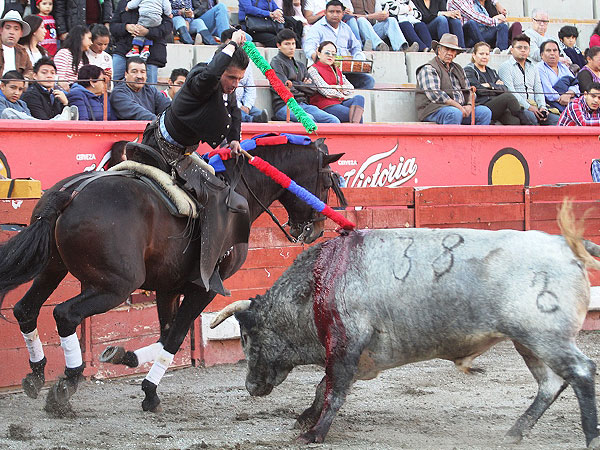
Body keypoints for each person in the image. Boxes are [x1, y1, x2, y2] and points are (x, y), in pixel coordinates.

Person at [415, 33, 491, 125]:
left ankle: (477, 140)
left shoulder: (458, 68)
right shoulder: (429, 68)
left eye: (453, 50)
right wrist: (459, 107)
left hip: (460, 109)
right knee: (454, 113)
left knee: (485, 112)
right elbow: (436, 95)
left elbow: (469, 91)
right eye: (446, 49)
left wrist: (470, 105)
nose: (450, 53)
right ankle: (452, 140)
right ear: (439, 50)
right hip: (434, 109)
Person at [303, 0, 375, 89]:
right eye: (331, 12)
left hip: (343, 71)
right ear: (325, 13)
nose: (335, 15)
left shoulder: (346, 28)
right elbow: (309, 48)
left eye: (338, 12)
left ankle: (352, 100)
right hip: (323, 71)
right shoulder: (317, 28)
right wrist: (319, 59)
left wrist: (358, 59)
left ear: (343, 13)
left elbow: (356, 47)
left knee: (368, 81)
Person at [271, 29, 339, 122]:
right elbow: (284, 88)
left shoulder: (300, 65)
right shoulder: (276, 63)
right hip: (285, 105)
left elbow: (313, 88)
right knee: (309, 119)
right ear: (279, 45)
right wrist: (303, 85)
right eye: (287, 44)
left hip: (303, 104)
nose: (291, 47)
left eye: (293, 44)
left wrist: (295, 84)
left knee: (333, 120)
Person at [498, 34, 557, 125]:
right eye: (519, 47)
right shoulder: (505, 67)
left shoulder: (533, 67)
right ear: (512, 50)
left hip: (535, 105)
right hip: (517, 106)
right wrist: (529, 107)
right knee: (531, 118)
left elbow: (538, 89)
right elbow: (510, 91)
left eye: (526, 48)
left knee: (556, 119)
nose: (523, 50)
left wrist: (542, 107)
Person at [110, 0, 173, 84]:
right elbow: (113, 26)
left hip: (151, 52)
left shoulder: (160, 2)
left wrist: (147, 32)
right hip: (124, 49)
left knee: (149, 89)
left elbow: (168, 26)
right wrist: (126, 27)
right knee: (116, 83)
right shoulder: (124, 2)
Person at [464, 41, 523, 125]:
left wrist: (489, 85)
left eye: (487, 54)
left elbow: (504, 89)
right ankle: (524, 116)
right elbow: (478, 90)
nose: (484, 57)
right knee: (508, 97)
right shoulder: (469, 70)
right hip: (482, 105)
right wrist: (495, 86)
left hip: (497, 105)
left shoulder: (492, 72)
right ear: (474, 55)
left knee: (514, 121)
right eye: (481, 54)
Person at [307, 40, 365, 122]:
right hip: (325, 105)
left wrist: (337, 87)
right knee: (357, 116)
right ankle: (356, 129)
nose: (330, 56)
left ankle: (354, 128)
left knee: (359, 98)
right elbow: (326, 92)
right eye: (327, 53)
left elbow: (350, 88)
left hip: (339, 102)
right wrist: (342, 94)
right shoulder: (313, 69)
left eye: (333, 54)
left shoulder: (336, 70)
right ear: (319, 54)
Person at [219, 28, 268, 122]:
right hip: (227, 103)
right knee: (237, 112)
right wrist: (240, 106)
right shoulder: (217, 62)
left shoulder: (245, 61)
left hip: (245, 104)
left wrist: (247, 106)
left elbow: (250, 87)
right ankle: (251, 120)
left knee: (259, 114)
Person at [0, 69, 76, 119]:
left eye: (20, 89)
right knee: (7, 112)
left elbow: (29, 122)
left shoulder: (22, 104)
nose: (17, 92)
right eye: (13, 88)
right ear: (2, 86)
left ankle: (56, 121)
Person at [537, 40, 579, 114]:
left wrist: (568, 94)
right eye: (548, 50)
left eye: (555, 50)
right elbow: (548, 91)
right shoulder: (539, 68)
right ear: (542, 55)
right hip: (552, 104)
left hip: (569, 101)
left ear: (559, 53)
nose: (552, 53)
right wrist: (562, 99)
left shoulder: (563, 67)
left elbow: (575, 83)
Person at [54, 25, 92, 90]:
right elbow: (58, 80)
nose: (91, 42)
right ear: (80, 37)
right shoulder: (64, 53)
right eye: (89, 38)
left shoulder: (84, 57)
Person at [0, 10, 33, 79]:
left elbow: (30, 71)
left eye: (16, 29)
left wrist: (25, 80)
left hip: (17, 88)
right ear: (1, 30)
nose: (11, 32)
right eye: (8, 28)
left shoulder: (23, 52)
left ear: (21, 33)